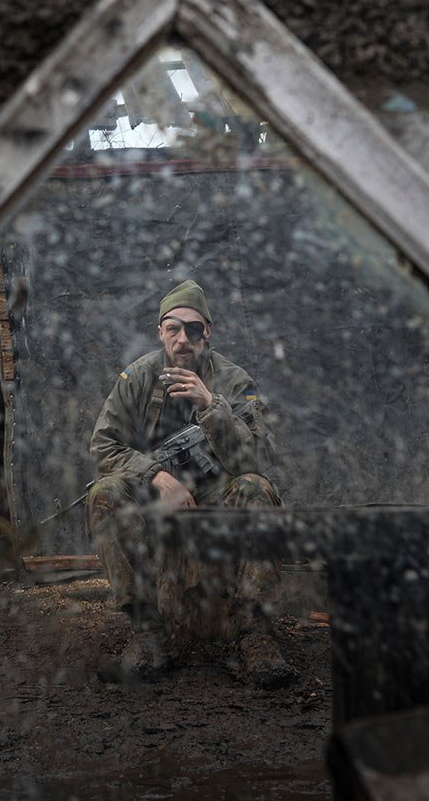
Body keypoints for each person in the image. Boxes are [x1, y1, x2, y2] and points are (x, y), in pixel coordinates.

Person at [85, 280, 293, 687]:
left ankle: (254, 635)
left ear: (208, 332)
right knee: (104, 495)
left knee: (256, 488)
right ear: (160, 331)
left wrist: (210, 406)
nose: (183, 339)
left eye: (193, 329)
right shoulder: (139, 377)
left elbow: (261, 457)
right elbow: (103, 446)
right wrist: (155, 476)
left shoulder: (233, 381)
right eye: (173, 328)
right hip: (156, 490)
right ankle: (148, 634)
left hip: (218, 488)